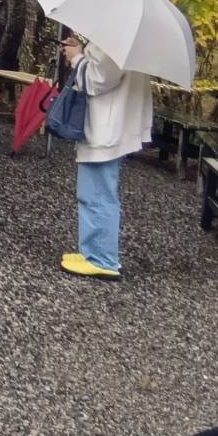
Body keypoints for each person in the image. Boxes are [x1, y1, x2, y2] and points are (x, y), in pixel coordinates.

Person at [60, 34, 153, 281]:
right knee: (95, 192)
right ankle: (92, 251)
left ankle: (101, 259)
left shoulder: (117, 36)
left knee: (98, 194)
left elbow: (97, 79)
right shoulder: (129, 36)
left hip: (108, 126)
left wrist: (76, 57)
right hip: (115, 122)